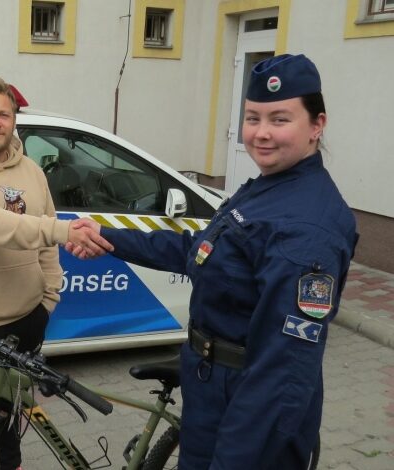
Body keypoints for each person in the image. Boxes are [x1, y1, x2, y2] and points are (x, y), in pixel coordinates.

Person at [67, 54, 358, 469]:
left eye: (280, 119)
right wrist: (109, 238)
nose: (261, 133)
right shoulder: (269, 188)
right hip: (212, 388)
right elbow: (200, 251)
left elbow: (284, 371)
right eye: (253, 118)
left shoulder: (306, 227)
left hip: (248, 410)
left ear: (317, 125)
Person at [0, 76, 111, 470]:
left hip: (27, 318)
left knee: (9, 412)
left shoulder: (31, 170)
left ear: (14, 120)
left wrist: (47, 300)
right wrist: (64, 230)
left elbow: (44, 244)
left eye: (4, 114)